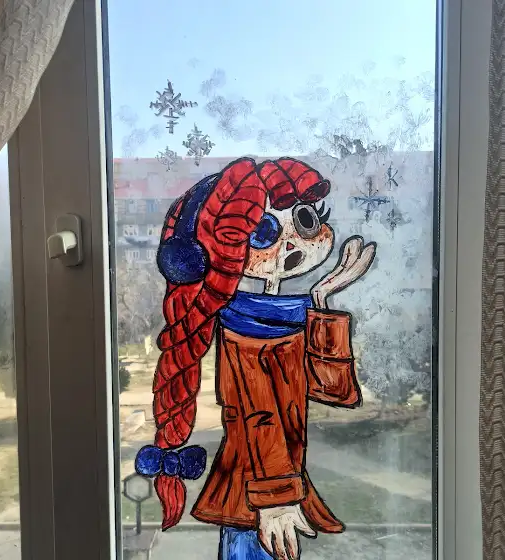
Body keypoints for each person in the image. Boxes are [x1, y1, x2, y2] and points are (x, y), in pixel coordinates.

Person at [135, 157, 377, 560]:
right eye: (263, 233)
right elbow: (256, 415)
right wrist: (275, 498)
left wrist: (322, 298)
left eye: (305, 219)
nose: (293, 244)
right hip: (255, 492)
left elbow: (333, 391)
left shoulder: (293, 315)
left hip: (281, 483)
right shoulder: (243, 328)